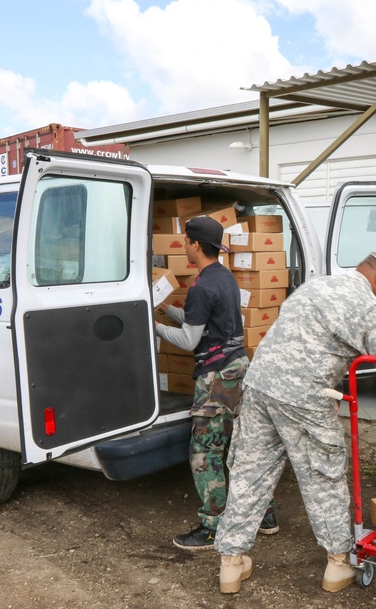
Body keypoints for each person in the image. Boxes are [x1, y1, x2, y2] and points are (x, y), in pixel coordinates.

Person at [213, 246, 376, 595]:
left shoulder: (317, 286)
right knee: (322, 475)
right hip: (305, 396)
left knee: (249, 473)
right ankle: (337, 564)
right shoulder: (367, 309)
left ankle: (231, 563)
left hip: (258, 384)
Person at [153, 216, 277, 551]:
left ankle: (213, 525)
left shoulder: (201, 286)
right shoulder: (224, 278)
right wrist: (172, 310)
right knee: (242, 445)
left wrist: (154, 326)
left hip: (216, 377)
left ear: (194, 245)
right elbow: (209, 322)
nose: (183, 245)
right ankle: (263, 513)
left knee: (205, 450)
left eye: (185, 241)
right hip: (238, 366)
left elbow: (190, 340)